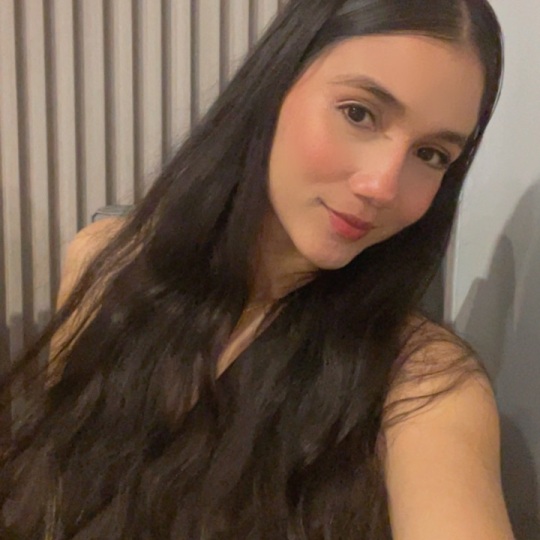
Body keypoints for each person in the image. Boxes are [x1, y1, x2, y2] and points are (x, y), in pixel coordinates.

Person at [0, 0, 515, 538]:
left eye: (431, 154)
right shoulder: (104, 265)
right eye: (359, 113)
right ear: (275, 84)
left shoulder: (424, 382)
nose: (382, 186)